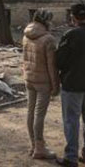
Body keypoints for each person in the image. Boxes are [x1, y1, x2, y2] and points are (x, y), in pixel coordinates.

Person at [55, 3, 85, 167]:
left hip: (72, 84)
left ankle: (71, 157)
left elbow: (59, 61)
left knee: (72, 120)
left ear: (72, 17)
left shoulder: (70, 35)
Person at [22, 8, 59, 159]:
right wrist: (55, 86)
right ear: (46, 20)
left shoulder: (26, 35)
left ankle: (33, 145)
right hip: (43, 82)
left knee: (30, 112)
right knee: (39, 115)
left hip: (29, 78)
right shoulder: (48, 39)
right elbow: (52, 66)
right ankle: (40, 148)